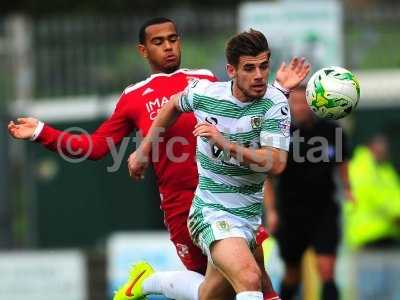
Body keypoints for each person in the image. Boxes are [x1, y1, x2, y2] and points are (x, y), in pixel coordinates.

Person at [8, 18, 308, 298]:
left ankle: (147, 281)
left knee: (233, 286)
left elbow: (244, 110)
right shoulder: (134, 97)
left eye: (173, 39)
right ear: (143, 50)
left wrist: (278, 91)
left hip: (237, 197)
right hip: (187, 203)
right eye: (159, 41)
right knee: (242, 280)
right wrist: (42, 133)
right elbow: (97, 146)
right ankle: (149, 282)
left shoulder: (203, 79)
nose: (168, 47)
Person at [121, 28, 305, 300]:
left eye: (263, 67)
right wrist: (144, 150)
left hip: (249, 218)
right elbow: (172, 106)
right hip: (211, 211)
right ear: (231, 71)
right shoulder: (206, 94)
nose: (258, 76)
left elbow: (275, 163)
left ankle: (147, 282)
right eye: (249, 68)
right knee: (250, 277)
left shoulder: (276, 101)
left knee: (209, 294)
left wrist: (226, 144)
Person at [266, 85, 352, 300]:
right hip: (291, 212)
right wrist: (271, 211)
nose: (300, 107)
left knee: (326, 269)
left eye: (304, 102)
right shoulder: (281, 134)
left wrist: (348, 188)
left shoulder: (332, 130)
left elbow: (342, 162)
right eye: (295, 102)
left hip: (324, 210)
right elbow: (268, 177)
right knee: (293, 275)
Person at [345, 134, 400, 249]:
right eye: (381, 146)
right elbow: (376, 195)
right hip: (367, 237)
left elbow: (395, 195)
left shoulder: (385, 169)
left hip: (387, 235)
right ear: (371, 146)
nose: (384, 149)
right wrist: (396, 213)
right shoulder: (361, 166)